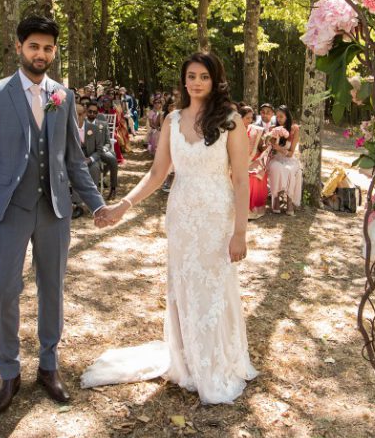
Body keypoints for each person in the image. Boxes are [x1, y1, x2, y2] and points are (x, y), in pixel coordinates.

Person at [88, 52, 258, 404]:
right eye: (191, 76)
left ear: (215, 81)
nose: (196, 82)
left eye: (204, 77)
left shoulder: (230, 121)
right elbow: (156, 173)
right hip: (181, 214)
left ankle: (216, 363)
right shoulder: (172, 120)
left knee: (212, 287)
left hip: (216, 215)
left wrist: (239, 232)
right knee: (183, 285)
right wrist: (124, 205)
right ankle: (187, 362)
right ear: (184, 80)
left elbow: (241, 180)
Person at [0, 15, 110, 414]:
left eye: (48, 48)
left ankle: (48, 367)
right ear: (19, 47)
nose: (41, 54)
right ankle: (9, 373)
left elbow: (74, 159)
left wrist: (96, 203)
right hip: (9, 212)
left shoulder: (62, 96)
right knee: (5, 291)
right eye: (34, 46)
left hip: (54, 211)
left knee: (52, 289)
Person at [266, 105, 302, 215]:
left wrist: (280, 149)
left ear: (287, 116)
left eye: (281, 117)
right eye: (277, 117)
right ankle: (276, 199)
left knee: (290, 170)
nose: (279, 119)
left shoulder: (294, 129)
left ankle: (289, 201)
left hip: (289, 159)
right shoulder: (273, 129)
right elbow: (269, 148)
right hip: (275, 158)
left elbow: (291, 153)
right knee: (276, 167)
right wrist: (272, 139)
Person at [238, 104, 268, 220]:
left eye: (251, 118)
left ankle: (252, 209)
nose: (250, 120)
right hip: (237, 160)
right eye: (247, 118)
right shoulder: (233, 130)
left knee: (254, 177)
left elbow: (261, 148)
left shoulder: (256, 130)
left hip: (254, 160)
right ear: (240, 118)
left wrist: (268, 142)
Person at [86, 100, 118, 199]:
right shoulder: (82, 123)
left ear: (97, 113)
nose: (92, 114)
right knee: (112, 158)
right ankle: (102, 177)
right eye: (90, 111)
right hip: (88, 152)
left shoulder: (103, 124)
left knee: (112, 157)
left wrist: (104, 148)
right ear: (86, 111)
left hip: (101, 151)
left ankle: (113, 188)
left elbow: (108, 142)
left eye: (95, 112)